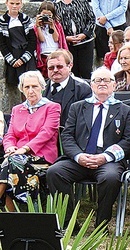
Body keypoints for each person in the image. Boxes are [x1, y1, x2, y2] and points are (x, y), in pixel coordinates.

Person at [46, 67, 130, 227]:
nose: (102, 83)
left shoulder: (125, 111)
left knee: (111, 178)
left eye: (106, 80)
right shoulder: (77, 107)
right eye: (97, 80)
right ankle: (69, 223)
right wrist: (79, 156)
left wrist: (105, 157)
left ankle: (101, 225)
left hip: (108, 161)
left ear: (114, 85)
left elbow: (128, 141)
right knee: (55, 172)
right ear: (91, 85)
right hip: (79, 159)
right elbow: (67, 136)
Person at [0, 71, 61, 210]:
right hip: (16, 156)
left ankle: (17, 212)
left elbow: (46, 133)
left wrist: (24, 149)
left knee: (11, 163)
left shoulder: (52, 107)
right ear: (22, 89)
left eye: (35, 86)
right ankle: (16, 215)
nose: (31, 90)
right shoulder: (17, 109)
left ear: (42, 87)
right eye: (27, 87)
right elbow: (10, 135)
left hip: (41, 156)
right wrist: (10, 147)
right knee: (11, 164)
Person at [43, 49, 92, 128]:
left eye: (59, 66)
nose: (55, 70)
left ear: (70, 66)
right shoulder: (40, 87)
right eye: (51, 68)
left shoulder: (82, 89)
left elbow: (84, 121)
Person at [0, 0, 36, 105]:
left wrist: (24, 58)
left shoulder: (26, 19)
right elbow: (2, 44)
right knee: (19, 86)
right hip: (13, 57)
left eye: (17, 3)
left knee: (31, 82)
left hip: (27, 57)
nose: (14, 6)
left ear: (21, 4)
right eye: (12, 3)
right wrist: (12, 60)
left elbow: (32, 40)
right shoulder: (2, 21)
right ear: (7, 3)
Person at [55, 0, 95, 80]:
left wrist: (84, 34)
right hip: (68, 46)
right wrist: (65, 38)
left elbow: (92, 19)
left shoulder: (83, 1)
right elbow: (55, 26)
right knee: (72, 73)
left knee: (86, 72)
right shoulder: (55, 5)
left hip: (85, 43)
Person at [34, 1, 68, 78]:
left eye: (49, 15)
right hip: (44, 54)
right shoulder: (37, 26)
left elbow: (56, 39)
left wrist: (52, 25)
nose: (46, 17)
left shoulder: (57, 25)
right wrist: (38, 26)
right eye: (44, 15)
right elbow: (41, 39)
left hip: (55, 52)